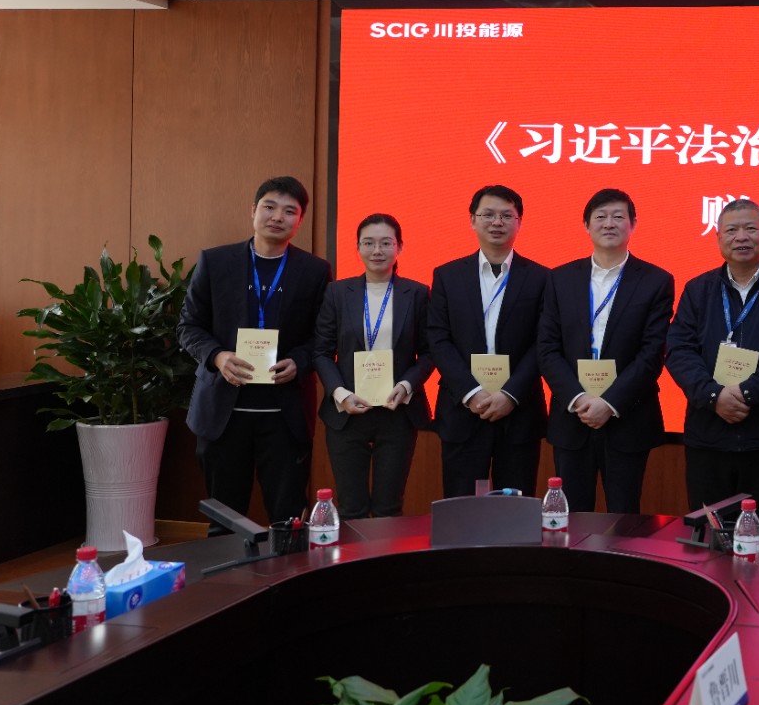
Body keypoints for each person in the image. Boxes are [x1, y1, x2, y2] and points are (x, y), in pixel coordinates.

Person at [178, 176, 332, 525]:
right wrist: (218, 356)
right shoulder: (215, 262)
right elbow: (188, 327)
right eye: (269, 207)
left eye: (289, 211)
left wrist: (300, 361)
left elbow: (323, 337)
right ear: (253, 210)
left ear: (300, 220)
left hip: (285, 414)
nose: (278, 217)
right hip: (223, 414)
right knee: (224, 520)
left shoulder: (314, 271)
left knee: (288, 519)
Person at [665, 198, 759, 529]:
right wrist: (714, 395)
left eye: (750, 228)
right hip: (708, 438)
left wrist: (747, 392)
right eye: (732, 230)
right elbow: (679, 350)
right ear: (718, 237)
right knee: (710, 538)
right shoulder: (698, 290)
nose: (741, 237)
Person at [536, 189, 675, 514]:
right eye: (600, 217)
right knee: (571, 516)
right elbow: (547, 348)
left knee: (624, 516)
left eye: (618, 216)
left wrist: (609, 403)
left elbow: (652, 353)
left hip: (628, 417)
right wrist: (578, 398)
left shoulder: (656, 280)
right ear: (587, 225)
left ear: (633, 224)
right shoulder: (559, 278)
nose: (609, 223)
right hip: (573, 416)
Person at [427, 185, 548, 498]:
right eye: (488, 215)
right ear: (472, 220)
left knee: (516, 508)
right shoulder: (447, 276)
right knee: (462, 508)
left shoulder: (541, 277)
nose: (497, 222)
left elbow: (544, 341)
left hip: (519, 409)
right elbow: (438, 338)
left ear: (519, 222)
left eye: (507, 216)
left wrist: (510, 394)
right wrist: (471, 392)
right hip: (463, 408)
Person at [310, 214, 434, 519]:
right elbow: (321, 351)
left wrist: (406, 385)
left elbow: (430, 352)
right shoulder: (337, 293)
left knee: (388, 508)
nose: (377, 250)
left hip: (397, 411)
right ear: (357, 247)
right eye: (368, 243)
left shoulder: (417, 293)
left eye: (385, 243)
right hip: (347, 412)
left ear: (399, 247)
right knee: (351, 507)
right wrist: (340, 394)